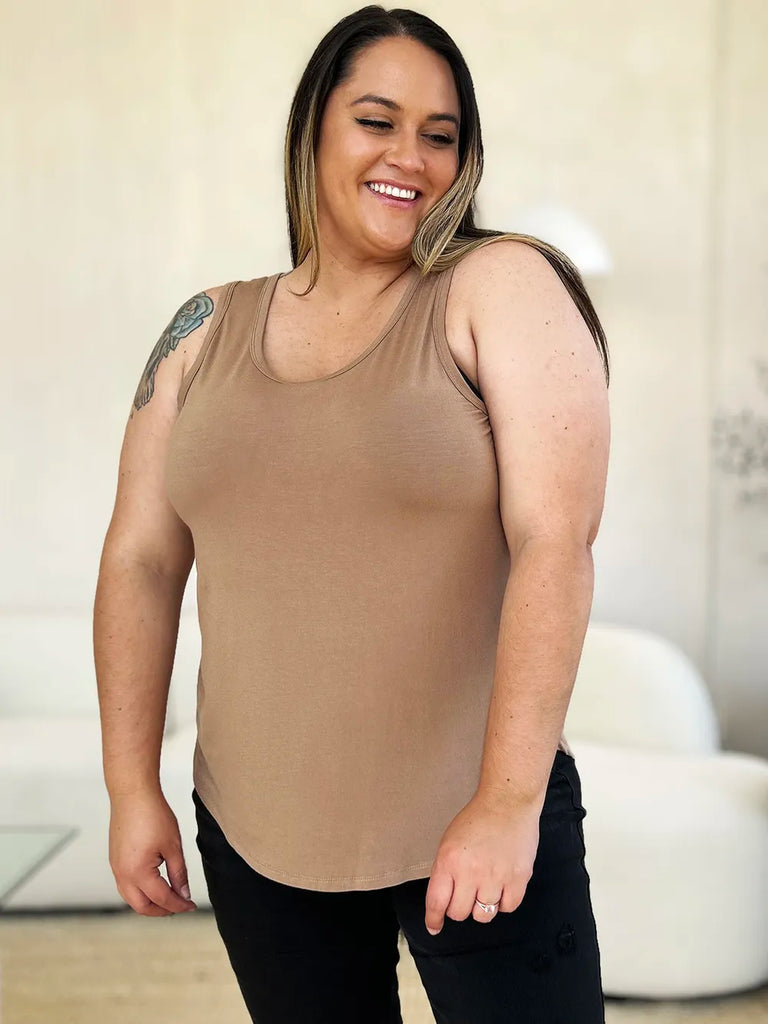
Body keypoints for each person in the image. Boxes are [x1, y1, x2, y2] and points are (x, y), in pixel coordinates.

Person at [93, 5, 611, 1022]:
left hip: (472, 823)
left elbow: (556, 542)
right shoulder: (204, 327)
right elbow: (140, 559)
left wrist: (507, 803)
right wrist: (130, 785)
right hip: (257, 834)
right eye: (377, 121)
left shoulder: (500, 285)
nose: (409, 156)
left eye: (439, 134)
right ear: (313, 131)